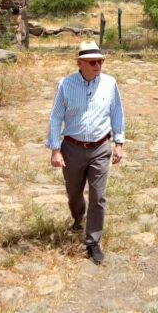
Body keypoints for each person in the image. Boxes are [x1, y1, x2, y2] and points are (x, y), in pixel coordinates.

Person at [46, 41, 125, 265]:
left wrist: (119, 143)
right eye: (93, 61)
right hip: (72, 148)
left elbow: (117, 112)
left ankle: (93, 242)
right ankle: (78, 217)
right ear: (80, 63)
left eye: (100, 61)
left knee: (98, 197)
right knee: (74, 193)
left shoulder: (110, 84)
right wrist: (55, 150)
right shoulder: (66, 85)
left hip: (100, 147)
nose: (98, 65)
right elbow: (55, 117)